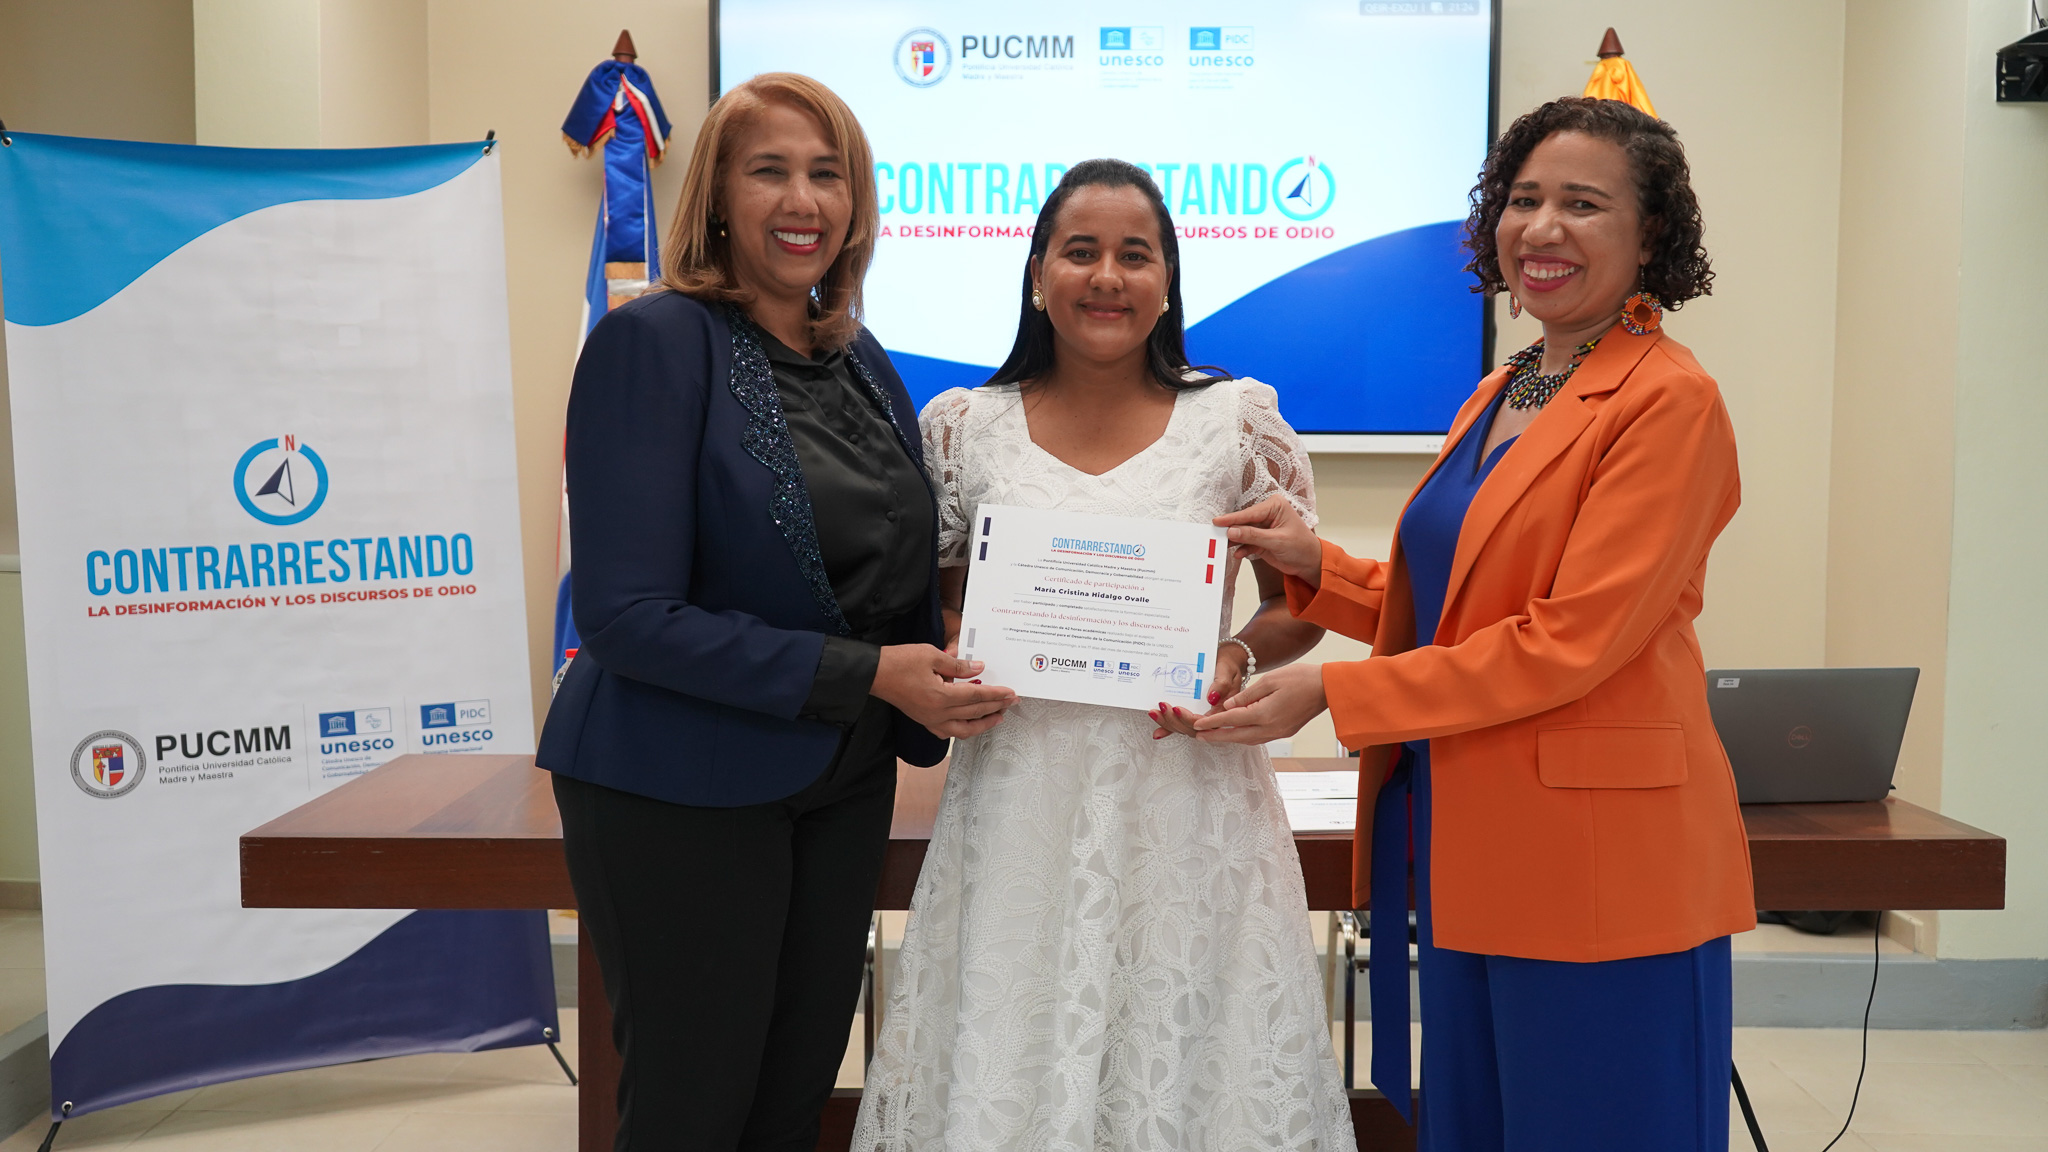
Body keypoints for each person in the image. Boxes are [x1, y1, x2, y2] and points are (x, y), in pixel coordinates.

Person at [1195, 96, 1751, 1151]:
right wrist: (1316, 567)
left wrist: (1334, 690)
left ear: (1649, 237)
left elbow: (1568, 640)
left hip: (1600, 864)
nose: (1541, 228)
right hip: (1466, 845)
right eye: (1522, 199)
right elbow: (1457, 610)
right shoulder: (1509, 386)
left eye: (1582, 204)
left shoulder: (1668, 400)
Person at [537, 73, 1015, 1151]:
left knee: (791, 1104)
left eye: (826, 174)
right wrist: (872, 675)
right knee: (694, 1111)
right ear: (716, 196)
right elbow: (625, 615)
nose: (803, 200)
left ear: (855, 203)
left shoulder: (857, 358)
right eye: (770, 172)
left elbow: (885, 568)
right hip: (679, 785)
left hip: (838, 785)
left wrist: (963, 643)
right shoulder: (654, 342)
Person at [853, 159, 1355, 1151]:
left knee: (1182, 1061)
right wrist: (957, 653)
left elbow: (1294, 604)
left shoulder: (1237, 421)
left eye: (1136, 255)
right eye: (1080, 252)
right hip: (1019, 801)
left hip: (1186, 795)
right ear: (1038, 274)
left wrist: (1234, 657)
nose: (1107, 277)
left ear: (1168, 280)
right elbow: (942, 605)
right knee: (1014, 1053)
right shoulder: (960, 428)